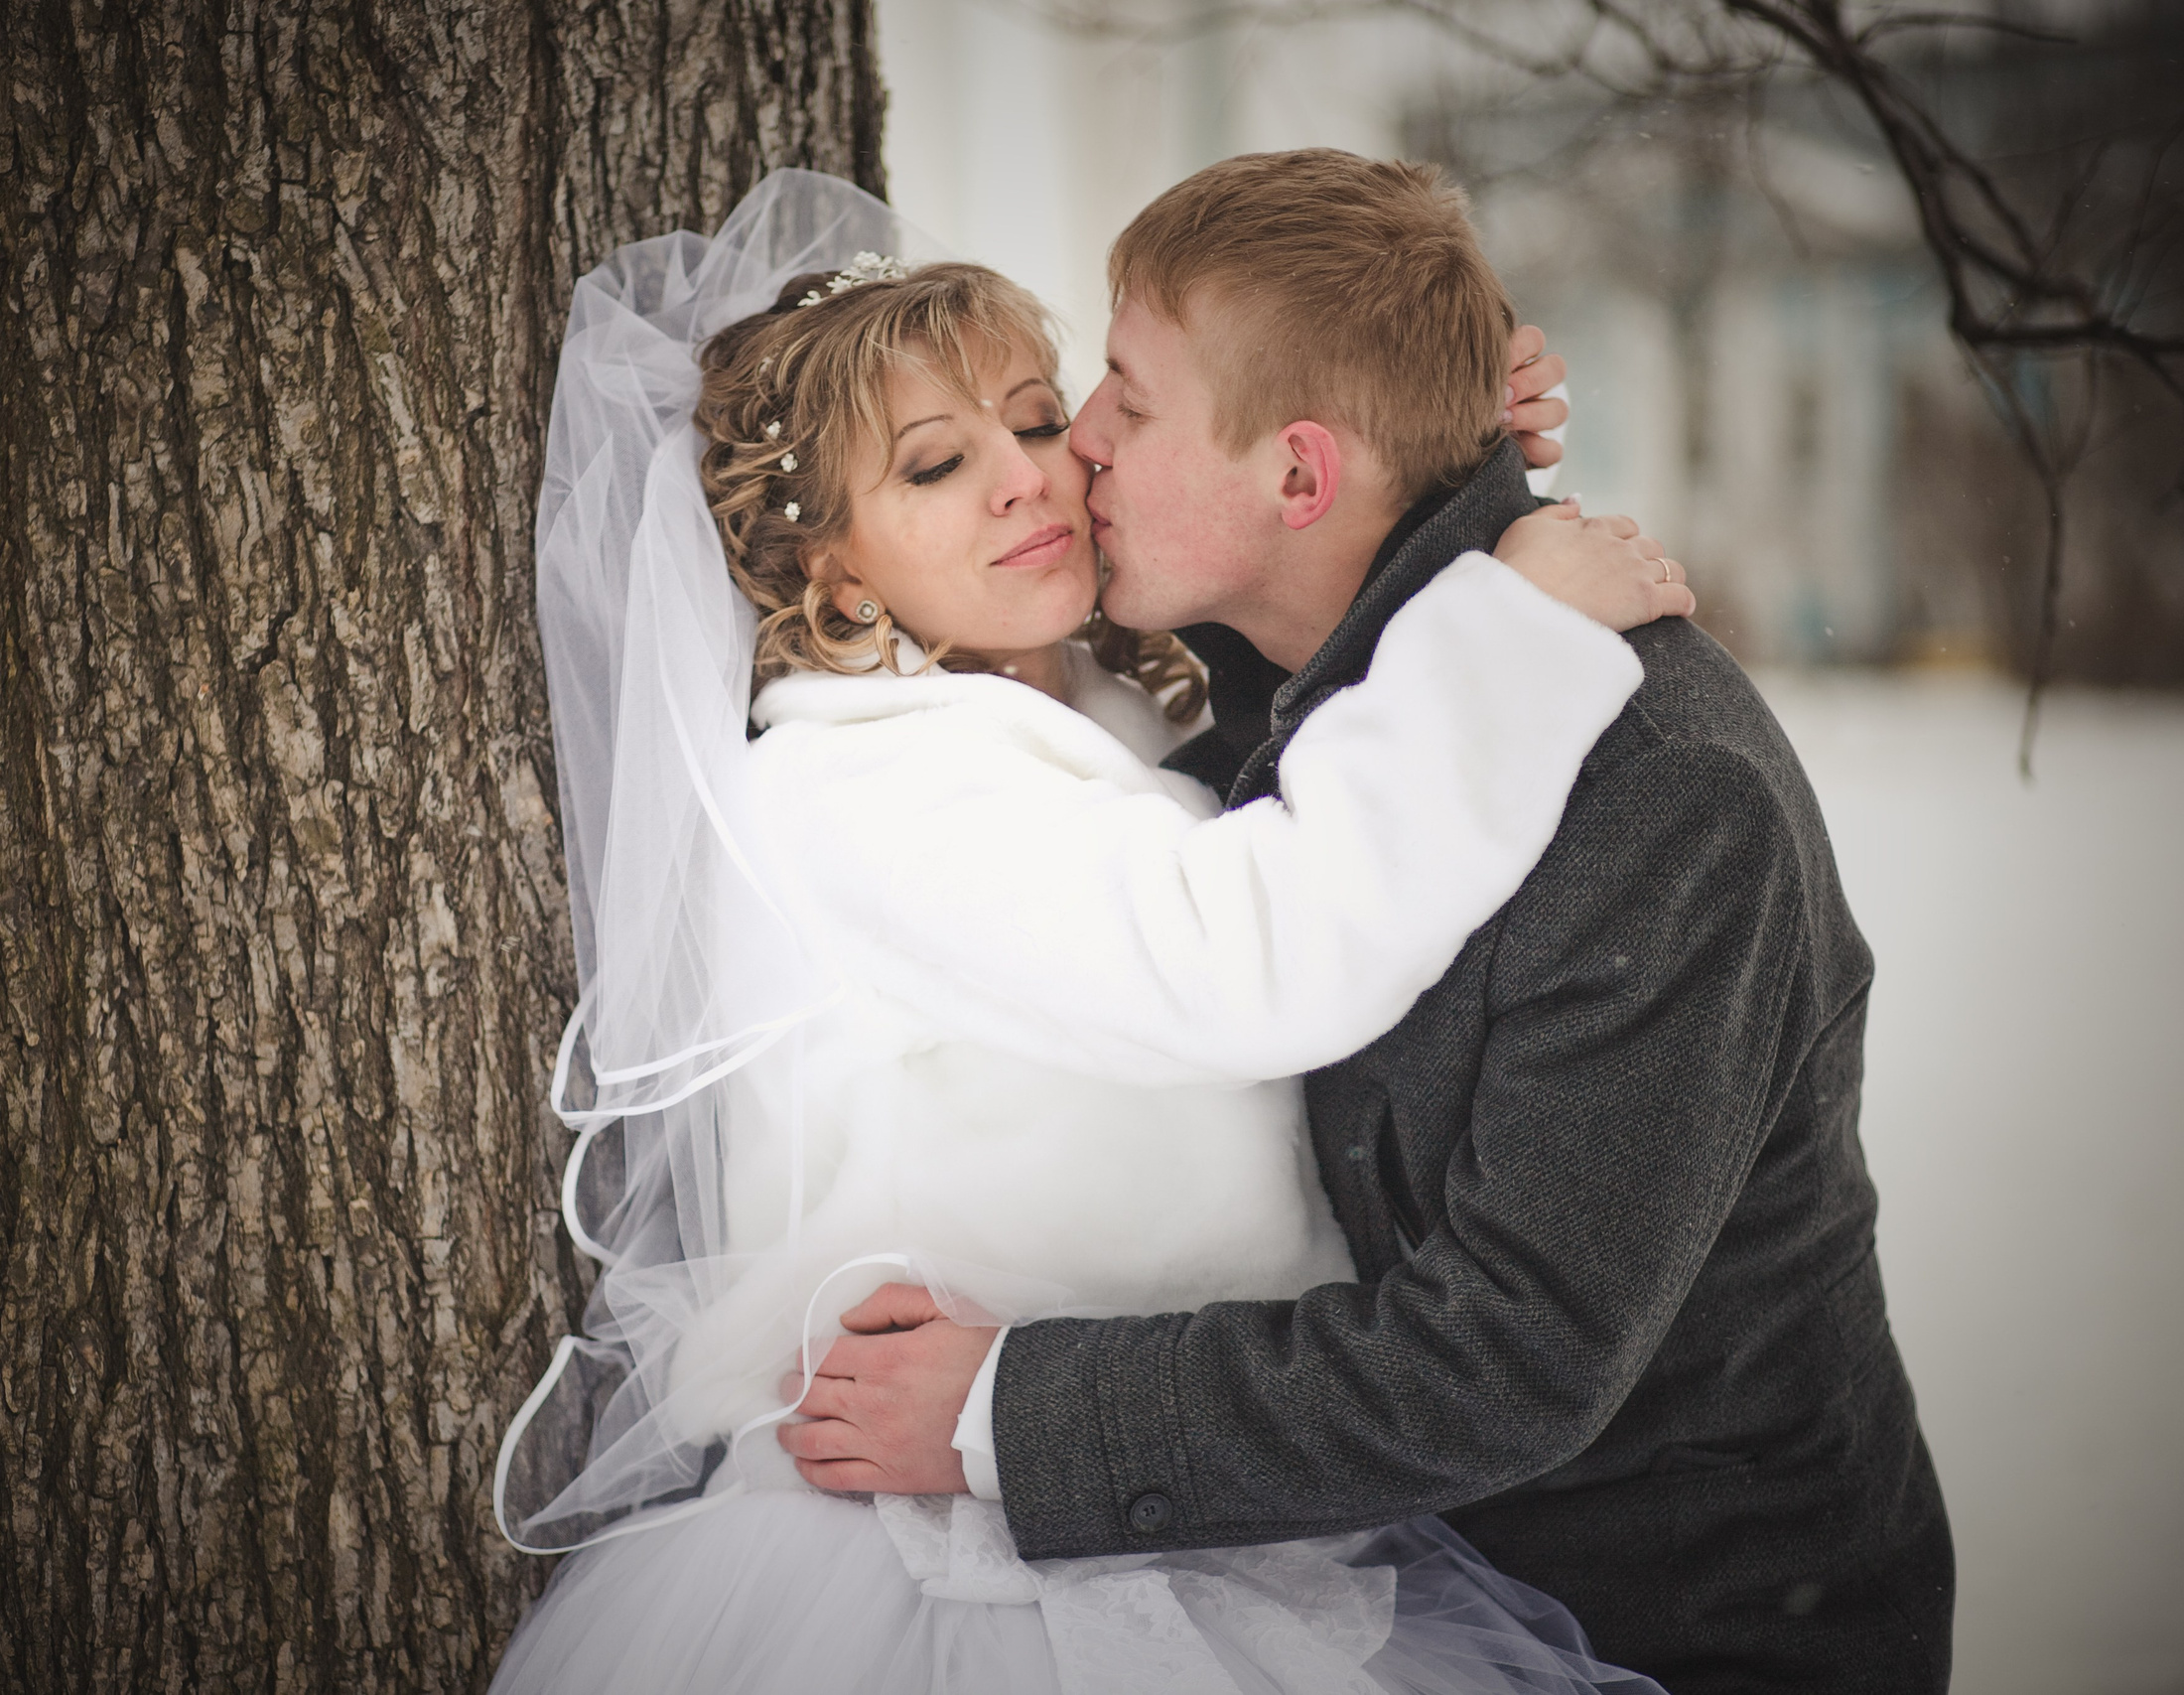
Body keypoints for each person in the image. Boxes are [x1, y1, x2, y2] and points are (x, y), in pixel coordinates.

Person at [491, 168, 1687, 1694]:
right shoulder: (859, 791)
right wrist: (1510, 633)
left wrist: (1411, 448)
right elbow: (1248, 952)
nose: (1025, 479)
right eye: (937, 464)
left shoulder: (1102, 700)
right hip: (959, 1549)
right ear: (828, 563)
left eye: (1040, 419)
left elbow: (1297, 641)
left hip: (1162, 1482)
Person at [783, 153, 1957, 1694]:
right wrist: (1439, 423)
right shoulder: (1319, 677)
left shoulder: (1661, 799)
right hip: (1398, 1579)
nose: (1080, 448)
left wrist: (1009, 1413)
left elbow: (1504, 1357)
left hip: (1683, 1629)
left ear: (1299, 481)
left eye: (1125, 401)